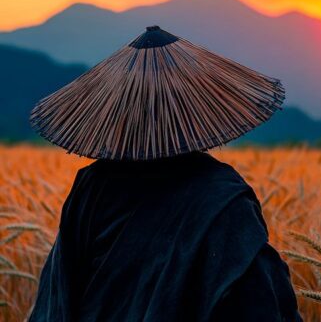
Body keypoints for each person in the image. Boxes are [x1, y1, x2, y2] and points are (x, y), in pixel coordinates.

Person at [28, 26, 302, 321]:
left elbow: (56, 300)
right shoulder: (221, 193)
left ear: (119, 114)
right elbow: (260, 302)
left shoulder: (92, 187)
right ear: (196, 110)